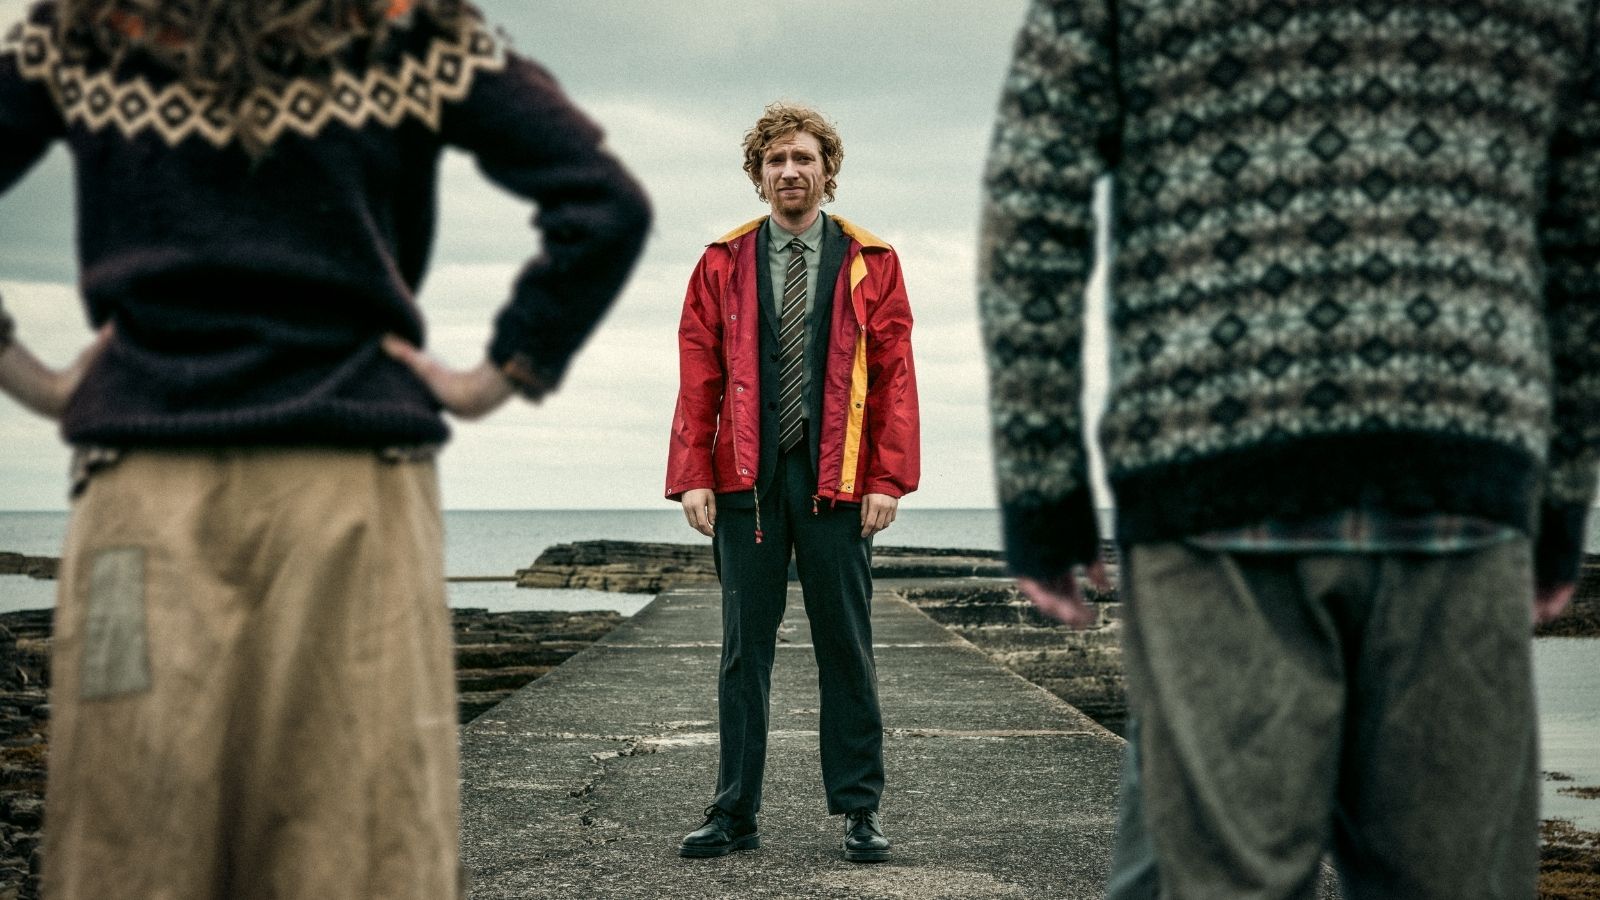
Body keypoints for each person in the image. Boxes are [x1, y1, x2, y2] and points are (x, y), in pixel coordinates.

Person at [0, 0, 649, 896]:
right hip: (349, 481)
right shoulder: (407, 25)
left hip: (141, 485)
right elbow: (603, 201)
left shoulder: (87, 24)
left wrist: (29, 375)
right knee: (355, 838)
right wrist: (499, 372)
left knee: (130, 833)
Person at [980, 1, 1598, 897]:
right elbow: (1578, 237)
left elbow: (1032, 207)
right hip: (1459, 471)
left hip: (1216, 472)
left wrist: (1042, 490)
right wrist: (1561, 498)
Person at [664, 101, 919, 862]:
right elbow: (698, 371)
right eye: (775, 160)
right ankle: (733, 812)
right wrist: (691, 477)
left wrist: (888, 478)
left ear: (827, 172)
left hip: (837, 481)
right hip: (745, 482)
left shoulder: (874, 261)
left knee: (847, 645)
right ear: (758, 175)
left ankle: (860, 811)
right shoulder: (722, 260)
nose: (790, 171)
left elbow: (897, 377)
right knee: (745, 650)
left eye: (803, 158)